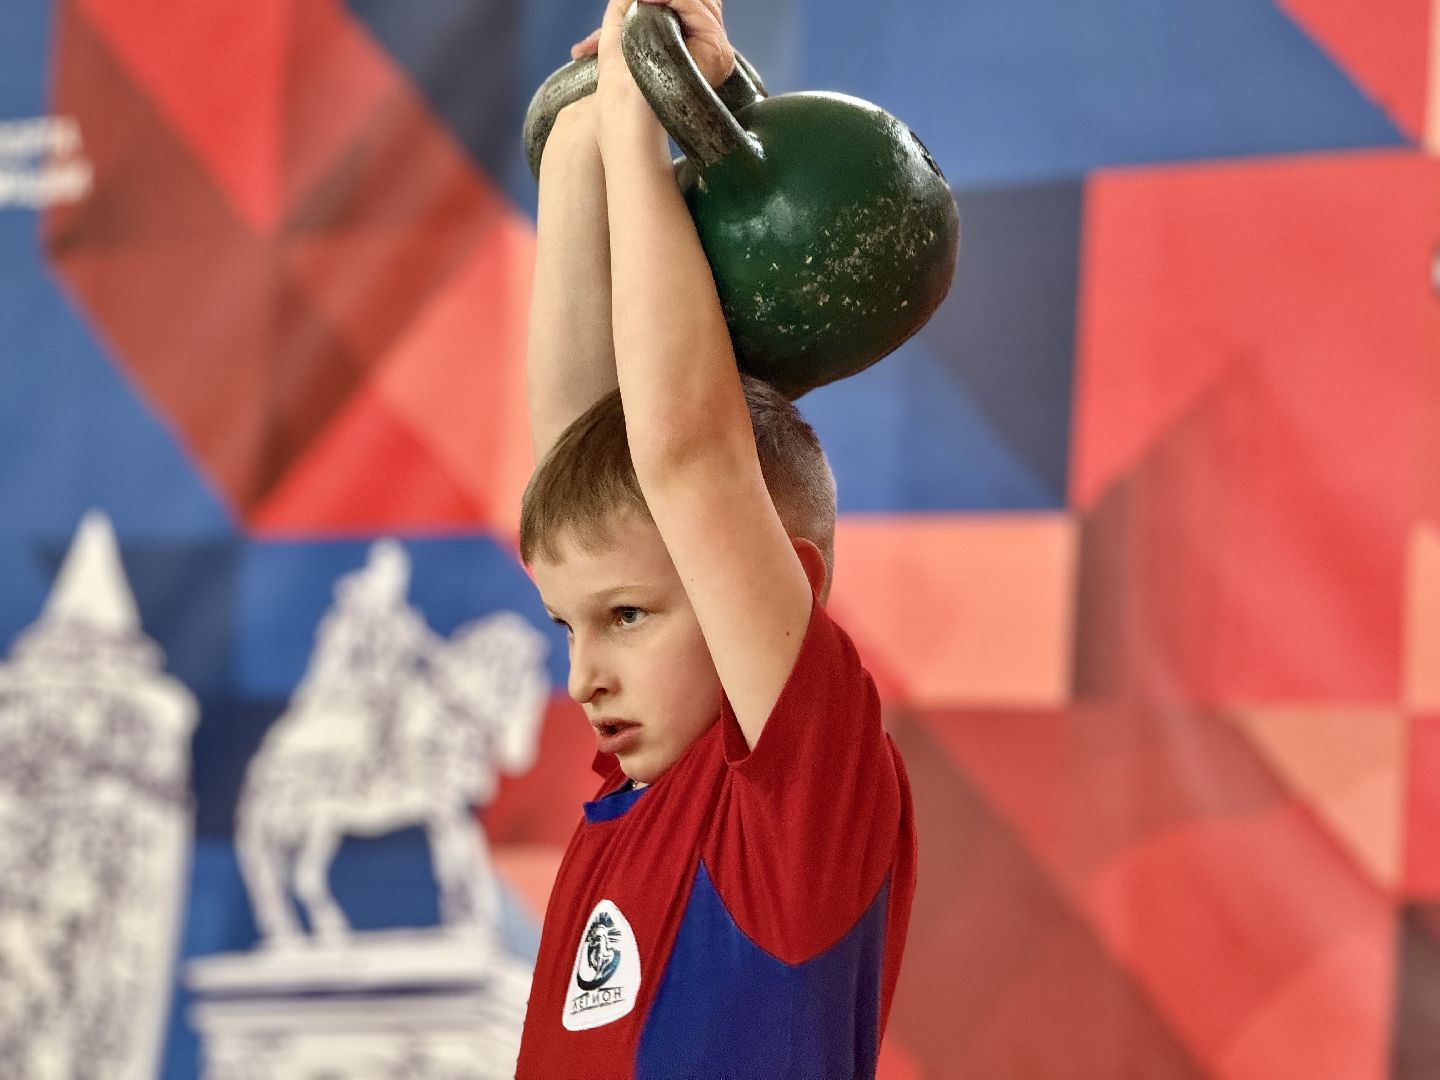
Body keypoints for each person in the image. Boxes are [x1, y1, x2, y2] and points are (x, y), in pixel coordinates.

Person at [513, 0, 916, 1074]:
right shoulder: (639, 797)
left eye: (628, 619)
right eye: (569, 625)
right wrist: (582, 144)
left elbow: (689, 459)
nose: (583, 680)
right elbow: (582, 461)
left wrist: (645, 130)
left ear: (782, 580)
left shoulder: (800, 802)